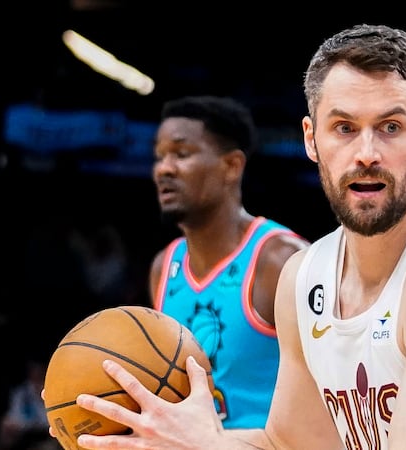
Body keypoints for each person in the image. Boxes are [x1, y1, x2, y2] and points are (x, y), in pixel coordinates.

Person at [55, 24, 406, 449]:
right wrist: (182, 434)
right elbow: (291, 446)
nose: (366, 153)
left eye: (390, 127)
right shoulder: (304, 280)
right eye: (343, 128)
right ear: (311, 140)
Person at [147, 95, 309, 429]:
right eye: (160, 156)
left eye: (181, 153)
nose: (164, 168)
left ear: (232, 166)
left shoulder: (280, 261)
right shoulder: (164, 268)